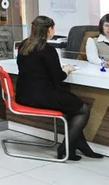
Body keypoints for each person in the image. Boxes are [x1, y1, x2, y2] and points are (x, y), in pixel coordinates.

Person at [16, 16, 102, 161]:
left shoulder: (24, 44)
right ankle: (65, 148)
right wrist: (67, 69)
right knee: (82, 110)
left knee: (70, 107)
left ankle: (78, 144)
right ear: (49, 29)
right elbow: (59, 77)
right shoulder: (47, 49)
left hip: (23, 95)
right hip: (41, 96)